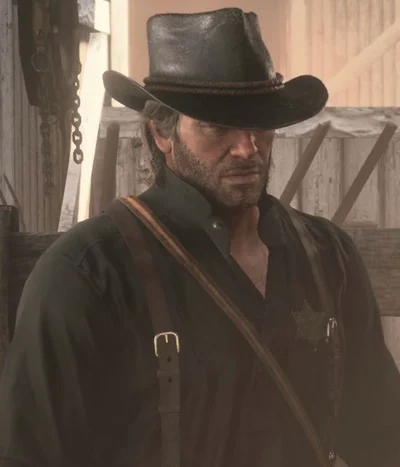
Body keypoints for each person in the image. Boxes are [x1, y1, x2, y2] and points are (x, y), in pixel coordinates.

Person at [0, 7, 399, 467]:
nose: (247, 147)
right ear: (161, 132)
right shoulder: (88, 274)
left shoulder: (328, 256)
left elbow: (381, 436)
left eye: (258, 122)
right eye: (218, 125)